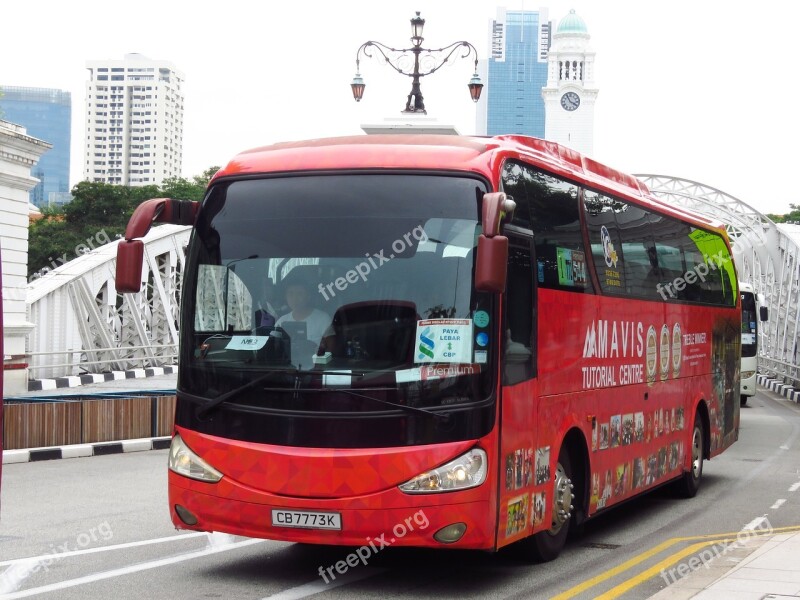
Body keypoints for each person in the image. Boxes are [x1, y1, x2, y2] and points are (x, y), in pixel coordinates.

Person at [275, 278, 331, 348]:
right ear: (285, 297)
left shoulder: (323, 319)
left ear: (308, 296)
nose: (294, 298)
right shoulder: (281, 322)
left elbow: (331, 347)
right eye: (290, 294)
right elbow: (275, 347)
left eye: (300, 293)